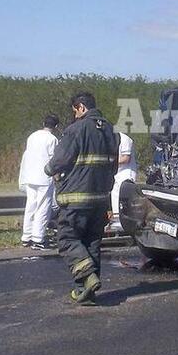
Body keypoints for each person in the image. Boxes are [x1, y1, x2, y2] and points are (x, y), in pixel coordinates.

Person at [44, 92, 119, 305]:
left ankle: (86, 278)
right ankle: (86, 292)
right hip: (100, 198)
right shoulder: (111, 131)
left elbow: (59, 161)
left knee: (67, 239)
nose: (75, 115)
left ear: (81, 108)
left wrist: (48, 168)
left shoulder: (77, 129)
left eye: (75, 111)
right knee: (91, 242)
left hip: (76, 197)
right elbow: (113, 166)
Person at [18, 114, 59, 250]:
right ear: (56, 126)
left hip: (30, 176)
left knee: (30, 206)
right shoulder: (52, 139)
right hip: (44, 177)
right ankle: (38, 239)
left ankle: (26, 237)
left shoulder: (32, 136)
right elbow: (54, 160)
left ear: (43, 123)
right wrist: (57, 175)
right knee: (43, 208)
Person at [110, 131, 137, 226]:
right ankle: (117, 218)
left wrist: (110, 161)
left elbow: (126, 158)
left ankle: (123, 221)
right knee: (114, 195)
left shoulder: (125, 139)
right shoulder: (112, 140)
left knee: (123, 197)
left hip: (126, 173)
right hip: (117, 173)